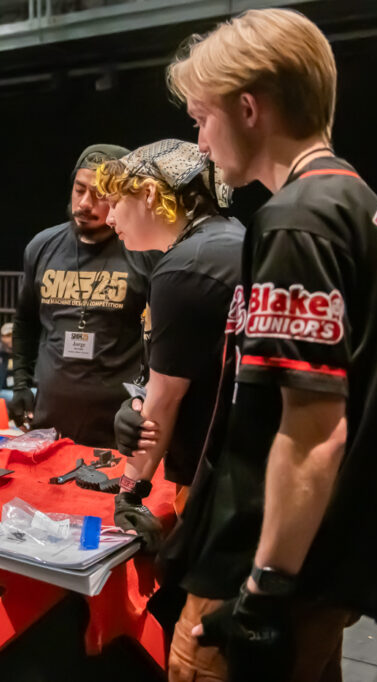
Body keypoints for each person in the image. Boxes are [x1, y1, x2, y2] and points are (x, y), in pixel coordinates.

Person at [162, 9, 377, 682]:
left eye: (202, 118)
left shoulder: (297, 222)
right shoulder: (361, 205)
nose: (200, 143)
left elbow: (312, 432)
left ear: (249, 108)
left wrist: (263, 591)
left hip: (270, 559)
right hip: (330, 555)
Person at [94, 139, 244, 551]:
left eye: (116, 202)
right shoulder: (231, 240)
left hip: (218, 487)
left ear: (148, 194)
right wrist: (140, 398)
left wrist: (130, 491)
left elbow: (167, 398)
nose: (109, 217)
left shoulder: (185, 267)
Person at [11, 144, 152, 447]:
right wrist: (20, 384)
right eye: (79, 190)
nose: (85, 203)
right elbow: (25, 323)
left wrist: (146, 400)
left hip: (117, 427)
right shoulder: (42, 246)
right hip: (50, 421)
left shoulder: (144, 251)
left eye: (99, 194)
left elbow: (163, 341)